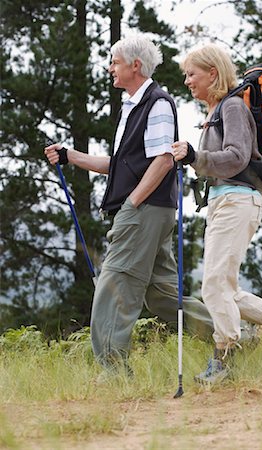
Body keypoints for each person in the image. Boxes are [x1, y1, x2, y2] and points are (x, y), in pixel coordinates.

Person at [44, 35, 214, 373]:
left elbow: (164, 159)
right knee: (161, 295)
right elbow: (121, 163)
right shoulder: (132, 107)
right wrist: (70, 156)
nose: (110, 68)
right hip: (148, 211)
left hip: (142, 211)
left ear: (135, 65)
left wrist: (131, 204)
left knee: (114, 286)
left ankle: (114, 373)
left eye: (115, 62)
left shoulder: (157, 103)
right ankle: (234, 335)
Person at [172, 43, 262, 383]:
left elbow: (237, 157)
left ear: (212, 73)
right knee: (223, 285)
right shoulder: (217, 112)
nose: (187, 81)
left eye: (191, 74)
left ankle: (225, 358)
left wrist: (195, 157)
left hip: (238, 201)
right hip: (225, 202)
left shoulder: (231, 108)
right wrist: (194, 160)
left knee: (214, 284)